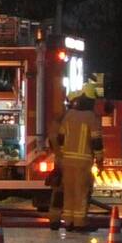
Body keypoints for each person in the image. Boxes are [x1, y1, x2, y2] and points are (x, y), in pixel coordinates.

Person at [57, 83, 103, 232]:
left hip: (67, 160)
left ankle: (68, 221)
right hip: (83, 161)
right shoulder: (92, 117)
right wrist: (100, 159)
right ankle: (80, 222)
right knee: (81, 192)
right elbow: (96, 141)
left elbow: (60, 138)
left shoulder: (69, 115)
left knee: (69, 191)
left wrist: (62, 155)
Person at [46, 89, 83, 231]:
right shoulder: (75, 119)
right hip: (72, 161)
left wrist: (59, 154)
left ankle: (55, 220)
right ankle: (72, 222)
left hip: (61, 160)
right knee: (75, 192)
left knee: (59, 193)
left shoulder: (60, 119)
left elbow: (53, 140)